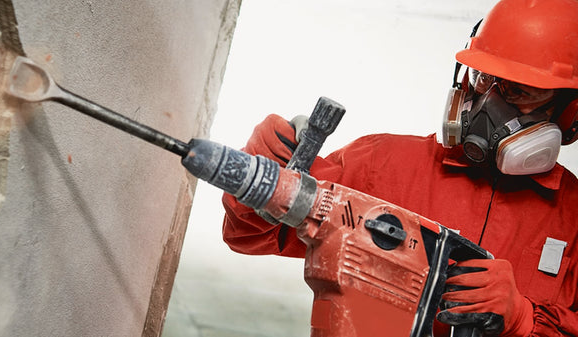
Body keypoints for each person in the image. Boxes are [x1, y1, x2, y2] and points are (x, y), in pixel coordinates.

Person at [221, 0, 578, 336]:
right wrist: (260, 177)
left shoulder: (573, 217)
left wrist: (523, 318)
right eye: (484, 79)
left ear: (568, 111)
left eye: (523, 91)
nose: (490, 103)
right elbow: (251, 235)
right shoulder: (383, 163)